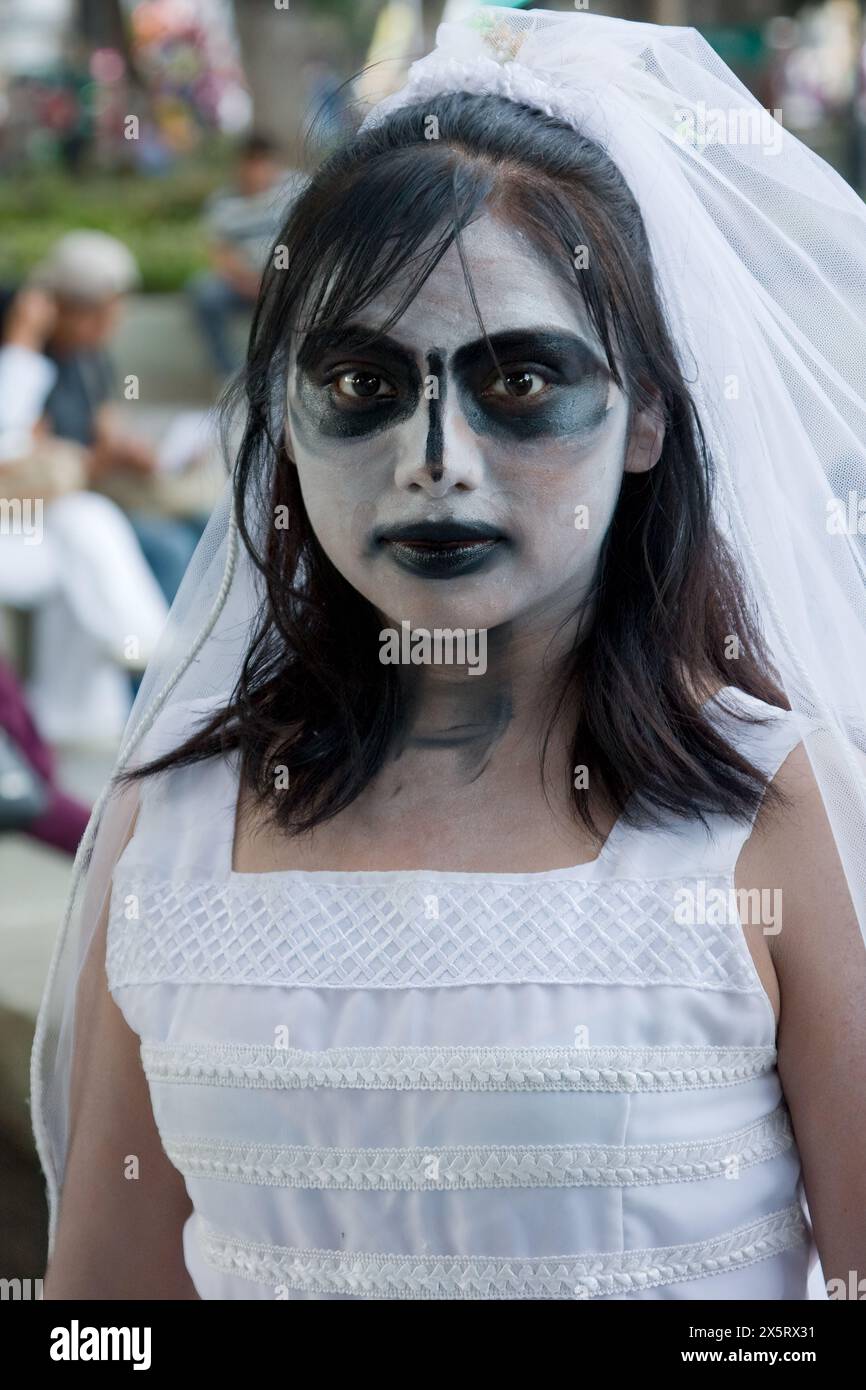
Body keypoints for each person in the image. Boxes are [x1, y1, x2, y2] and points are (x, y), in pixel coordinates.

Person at [32, 8, 866, 1301]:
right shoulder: (175, 822)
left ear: (645, 412)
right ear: (289, 423)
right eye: (363, 383)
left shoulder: (757, 805)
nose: (437, 459)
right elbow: (99, 1320)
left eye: (518, 380)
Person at [0, 284, 168, 746]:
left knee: (81, 536)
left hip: (32, 530)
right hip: (17, 529)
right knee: (87, 526)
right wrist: (22, 341)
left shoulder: (71, 366)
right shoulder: (21, 367)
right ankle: (157, 651)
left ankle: (81, 711)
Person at [187, 133, 307, 377]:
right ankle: (229, 373)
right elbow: (219, 251)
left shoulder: (296, 191)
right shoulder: (221, 202)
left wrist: (274, 279)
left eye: (262, 163)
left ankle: (288, 371)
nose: (255, 171)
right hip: (239, 282)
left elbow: (302, 242)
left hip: (283, 279)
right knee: (204, 293)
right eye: (249, 163)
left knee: (299, 296)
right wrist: (245, 281)